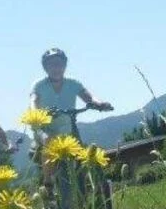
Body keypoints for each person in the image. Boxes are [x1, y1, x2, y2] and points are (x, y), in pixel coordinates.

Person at [29, 48, 112, 181]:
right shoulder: (39, 85)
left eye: (59, 63)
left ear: (65, 65)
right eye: (52, 64)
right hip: (44, 128)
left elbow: (89, 97)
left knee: (84, 154)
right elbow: (33, 100)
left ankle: (90, 184)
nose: (56, 68)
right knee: (48, 140)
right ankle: (48, 181)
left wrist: (100, 104)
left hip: (68, 127)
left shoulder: (73, 83)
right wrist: (36, 114)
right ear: (45, 68)